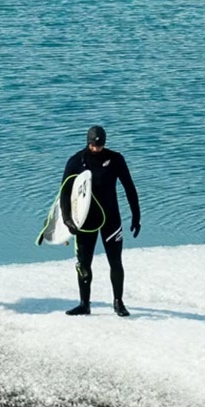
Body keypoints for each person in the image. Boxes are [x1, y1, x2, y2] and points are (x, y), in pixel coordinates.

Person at [59, 125, 140, 317]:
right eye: (94, 146)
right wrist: (67, 219)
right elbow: (64, 193)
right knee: (84, 264)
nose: (97, 149)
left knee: (115, 262)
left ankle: (118, 302)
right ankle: (84, 304)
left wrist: (136, 215)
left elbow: (129, 187)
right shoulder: (76, 162)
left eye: (100, 146)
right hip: (86, 222)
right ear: (88, 143)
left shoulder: (115, 159)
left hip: (111, 219)